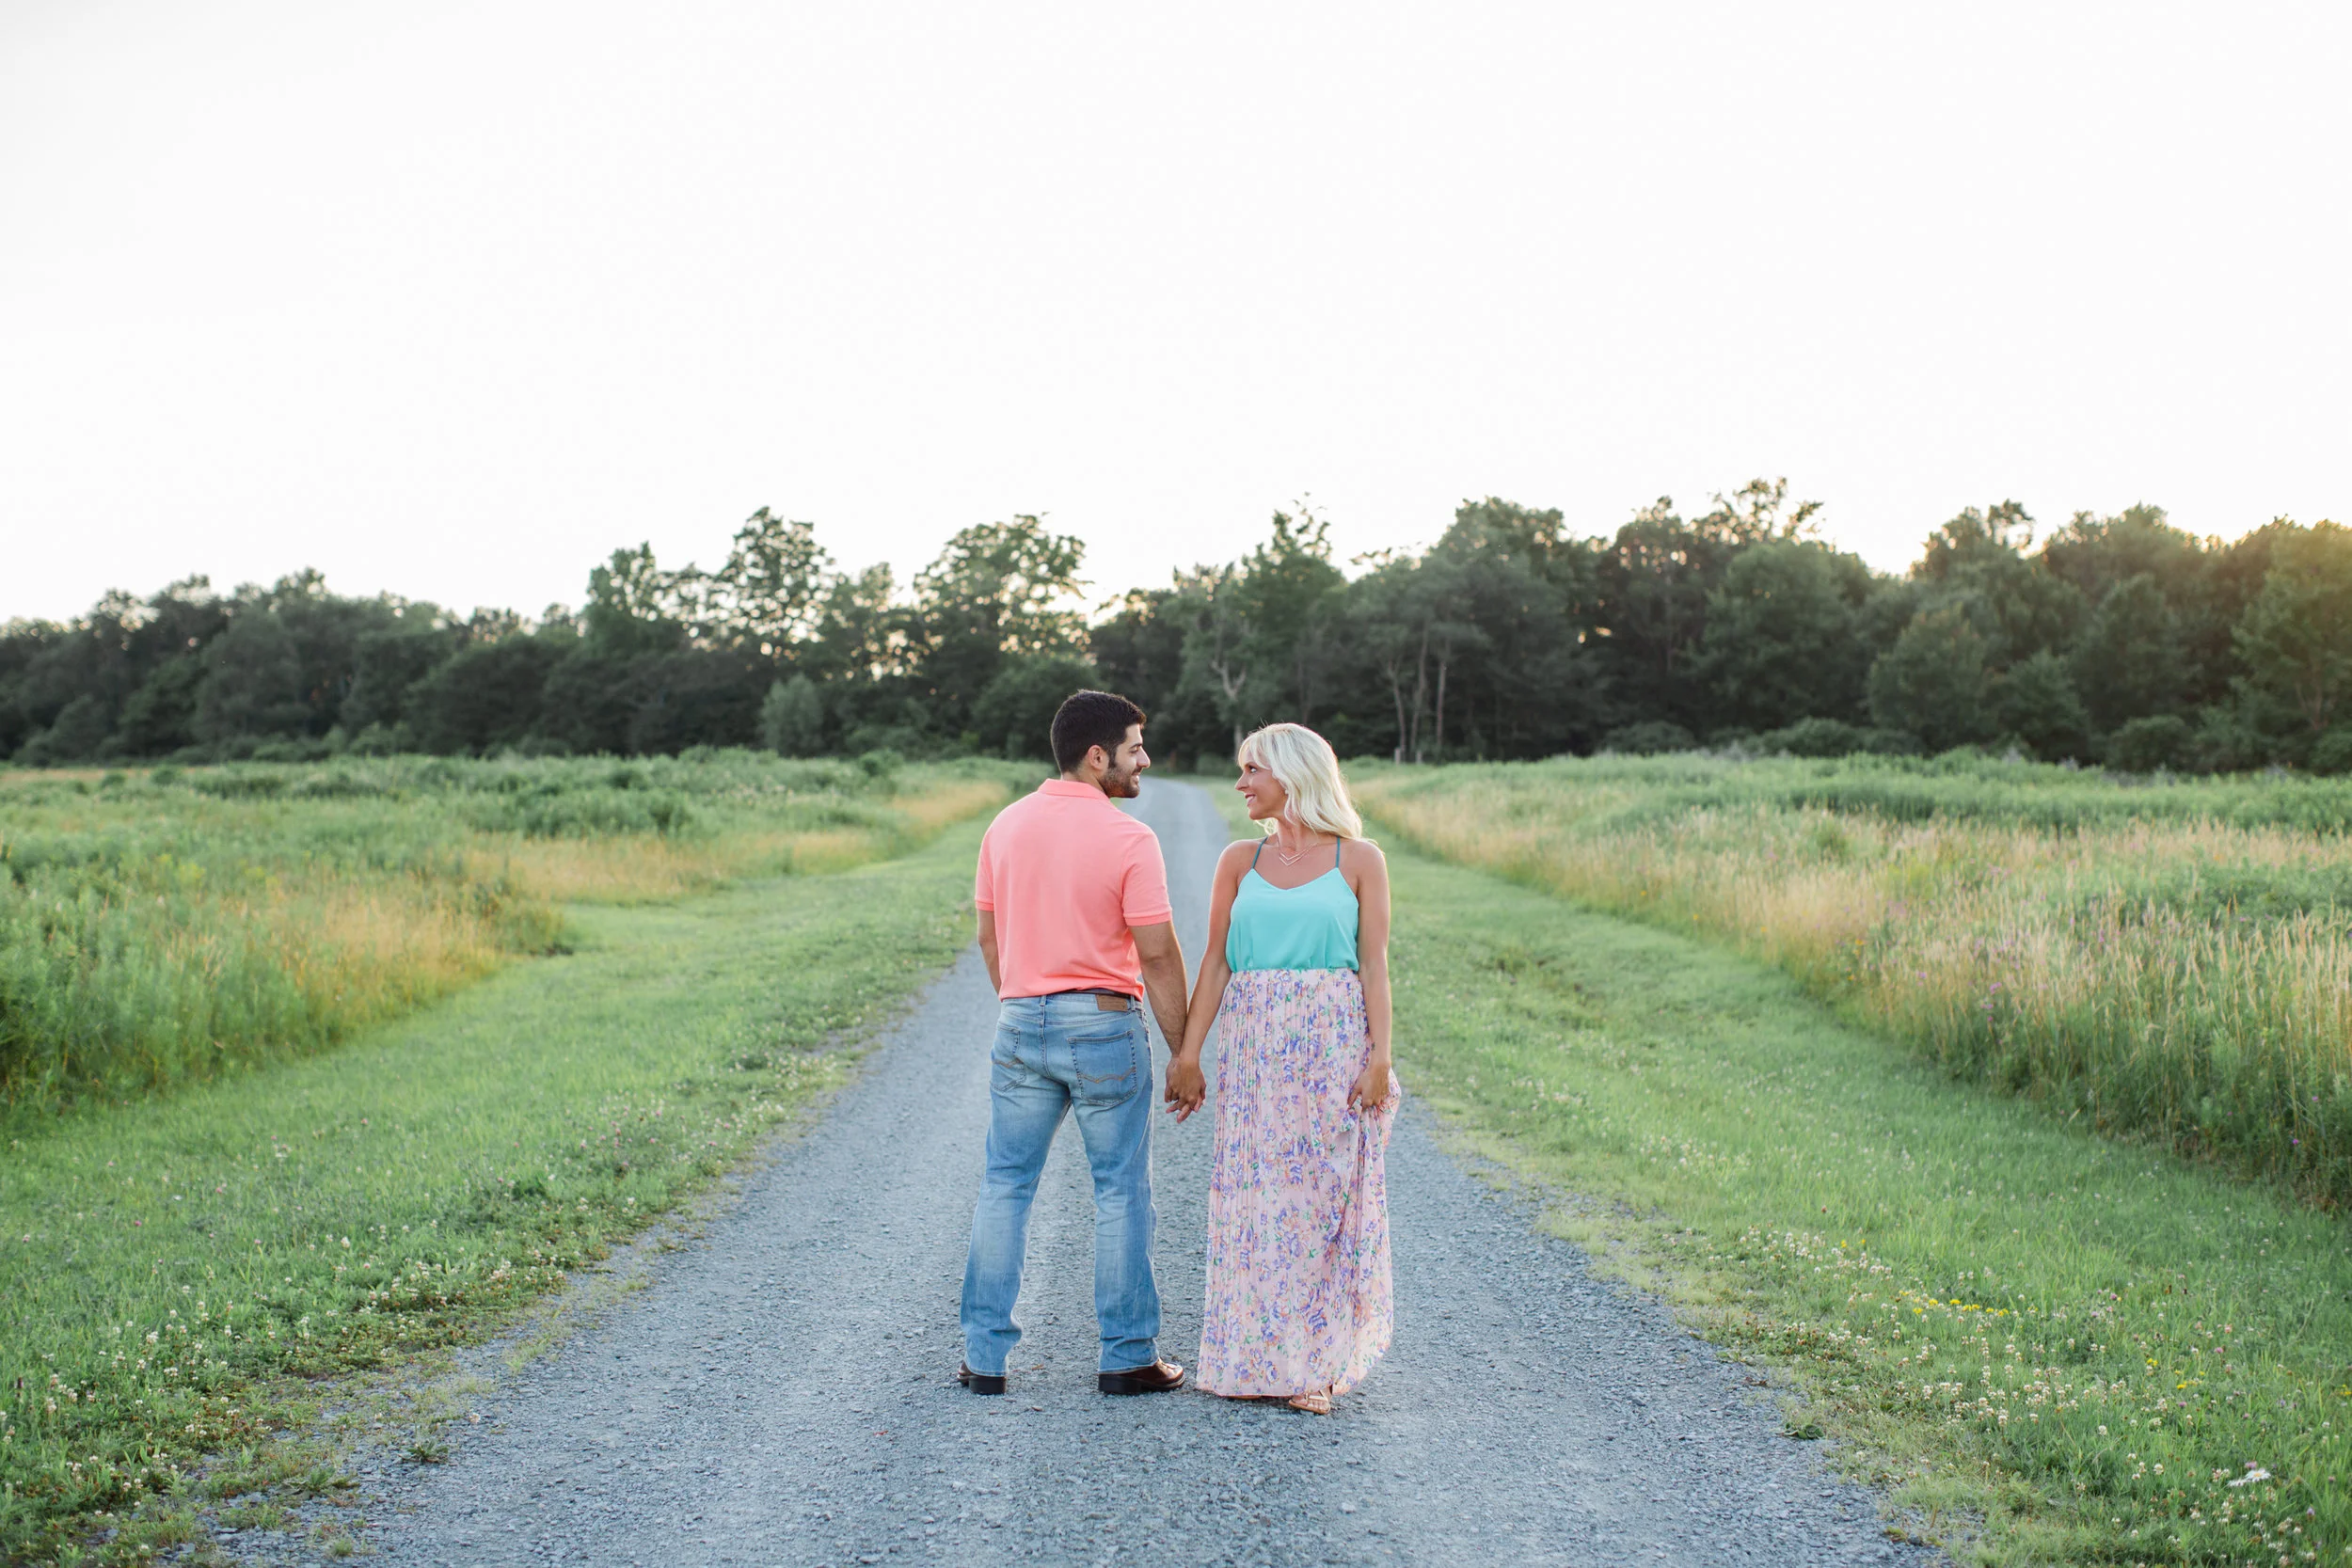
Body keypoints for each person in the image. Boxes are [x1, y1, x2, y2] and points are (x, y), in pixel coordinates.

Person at [959, 689, 1206, 1397]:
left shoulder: (1003, 826)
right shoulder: (1130, 838)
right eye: (1134, 747)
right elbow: (1157, 957)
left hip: (1019, 1020)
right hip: (1103, 1023)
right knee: (1121, 1190)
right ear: (1097, 757)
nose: (1144, 760)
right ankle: (1127, 1356)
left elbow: (989, 936)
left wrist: (1026, 1002)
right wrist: (1184, 1051)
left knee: (1005, 1184)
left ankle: (984, 1359)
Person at [1174, 721, 1400, 1415]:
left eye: (1251, 770)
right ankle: (1249, 1356)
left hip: (1332, 1048)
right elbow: (1216, 962)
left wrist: (1380, 1057)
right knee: (1254, 1203)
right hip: (1254, 1052)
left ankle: (1316, 1366)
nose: (1241, 783)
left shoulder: (1358, 859)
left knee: (1325, 1199)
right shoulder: (1239, 860)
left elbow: (1374, 966)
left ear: (1292, 774)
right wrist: (1188, 1051)